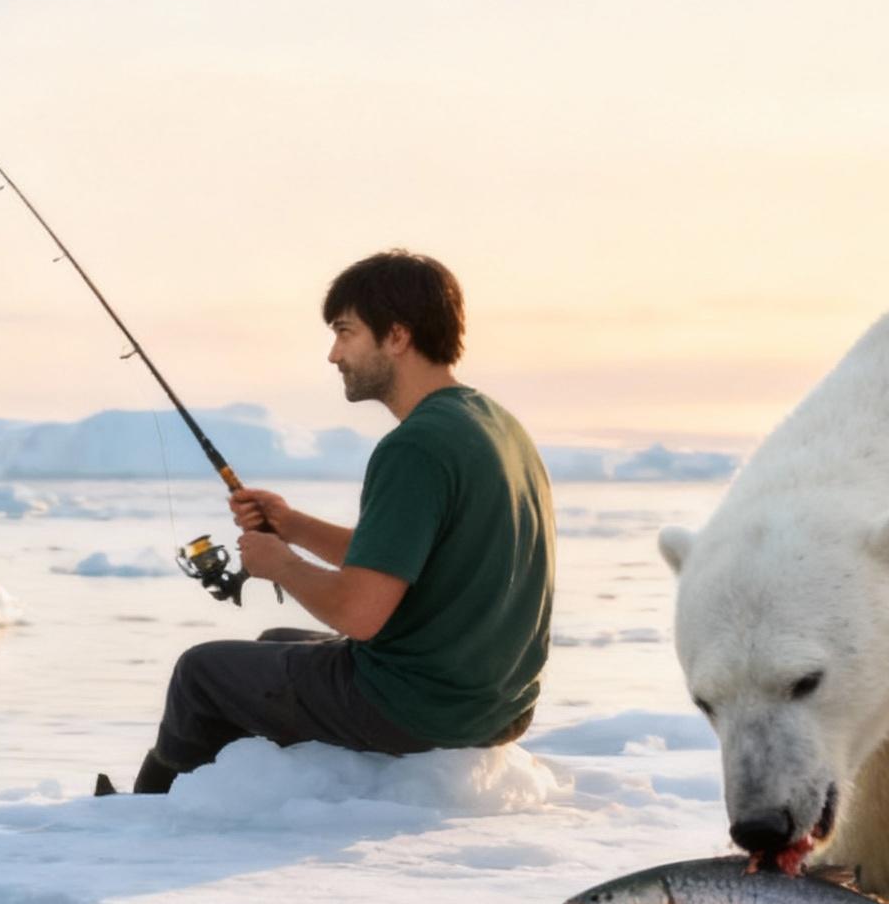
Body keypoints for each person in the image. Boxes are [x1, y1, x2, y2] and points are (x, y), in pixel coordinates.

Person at [106, 250, 554, 796]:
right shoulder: (494, 425)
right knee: (275, 641)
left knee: (201, 673)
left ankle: (140, 815)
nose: (333, 354)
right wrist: (290, 524)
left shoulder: (415, 447)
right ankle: (247, 798)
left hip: (426, 710)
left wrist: (282, 564)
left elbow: (360, 614)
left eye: (345, 333)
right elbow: (405, 561)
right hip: (496, 703)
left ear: (396, 336)